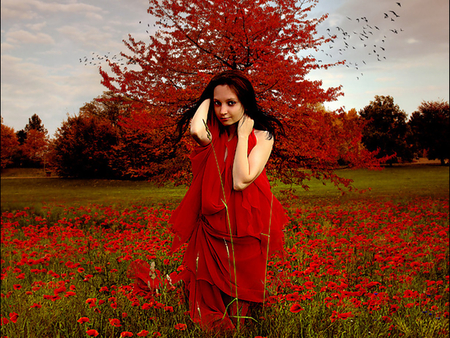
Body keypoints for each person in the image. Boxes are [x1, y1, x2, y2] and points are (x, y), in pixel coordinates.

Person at [169, 70, 288, 330]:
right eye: (218, 103)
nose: (223, 111)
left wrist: (243, 136)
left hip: (245, 222)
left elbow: (240, 180)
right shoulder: (214, 136)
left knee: (242, 295)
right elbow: (195, 129)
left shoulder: (263, 136)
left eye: (231, 103)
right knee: (210, 294)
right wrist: (207, 98)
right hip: (213, 221)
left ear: (246, 102)